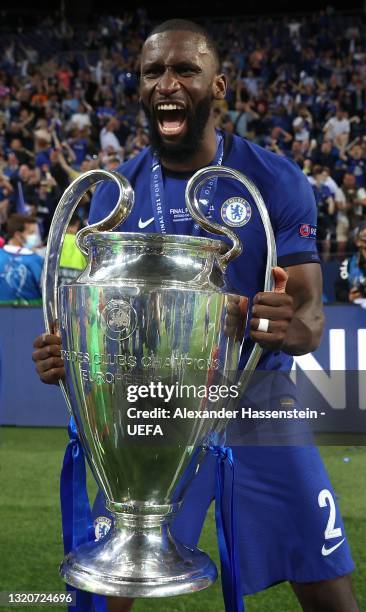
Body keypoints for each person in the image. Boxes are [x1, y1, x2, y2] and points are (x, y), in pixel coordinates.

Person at [32, 19, 359, 612]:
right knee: (102, 589)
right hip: (150, 412)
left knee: (329, 585)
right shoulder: (115, 191)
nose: (166, 83)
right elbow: (107, 322)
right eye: (152, 71)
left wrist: (288, 326)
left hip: (258, 405)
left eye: (185, 69)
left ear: (219, 86)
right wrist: (68, 355)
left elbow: (312, 317)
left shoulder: (275, 181)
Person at [0, 213, 43, 303]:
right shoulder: (37, 261)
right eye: (32, 232)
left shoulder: (38, 260)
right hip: (30, 314)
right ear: (18, 235)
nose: (36, 236)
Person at [335, 221, 366, 304]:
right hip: (355, 309)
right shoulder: (347, 264)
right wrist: (348, 297)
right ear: (358, 242)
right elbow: (339, 291)